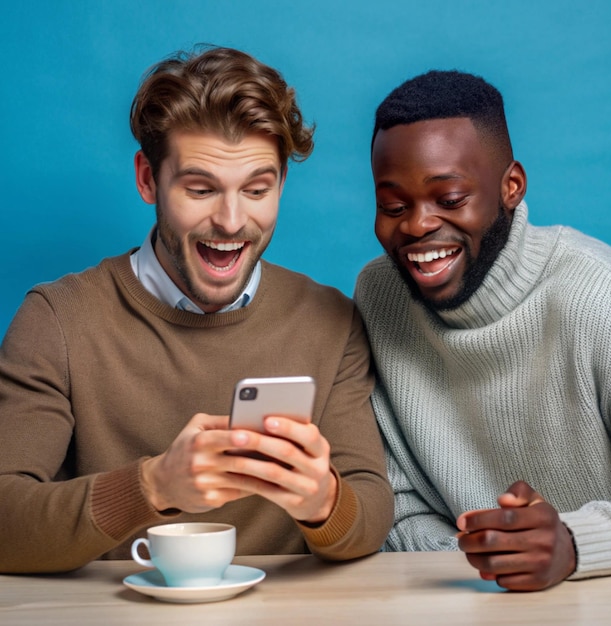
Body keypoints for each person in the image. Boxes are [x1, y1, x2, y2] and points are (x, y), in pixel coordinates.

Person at [0, 45, 393, 574]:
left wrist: (323, 500)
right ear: (147, 180)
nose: (232, 221)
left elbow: (371, 515)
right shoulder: (57, 319)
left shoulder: (330, 320)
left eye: (257, 189)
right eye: (201, 188)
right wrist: (153, 485)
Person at [354, 69, 611, 591]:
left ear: (511, 187)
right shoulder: (379, 297)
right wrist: (483, 561)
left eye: (449, 198)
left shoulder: (601, 297)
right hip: (462, 601)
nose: (416, 225)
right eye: (392, 206)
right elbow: (399, 499)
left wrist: (575, 543)